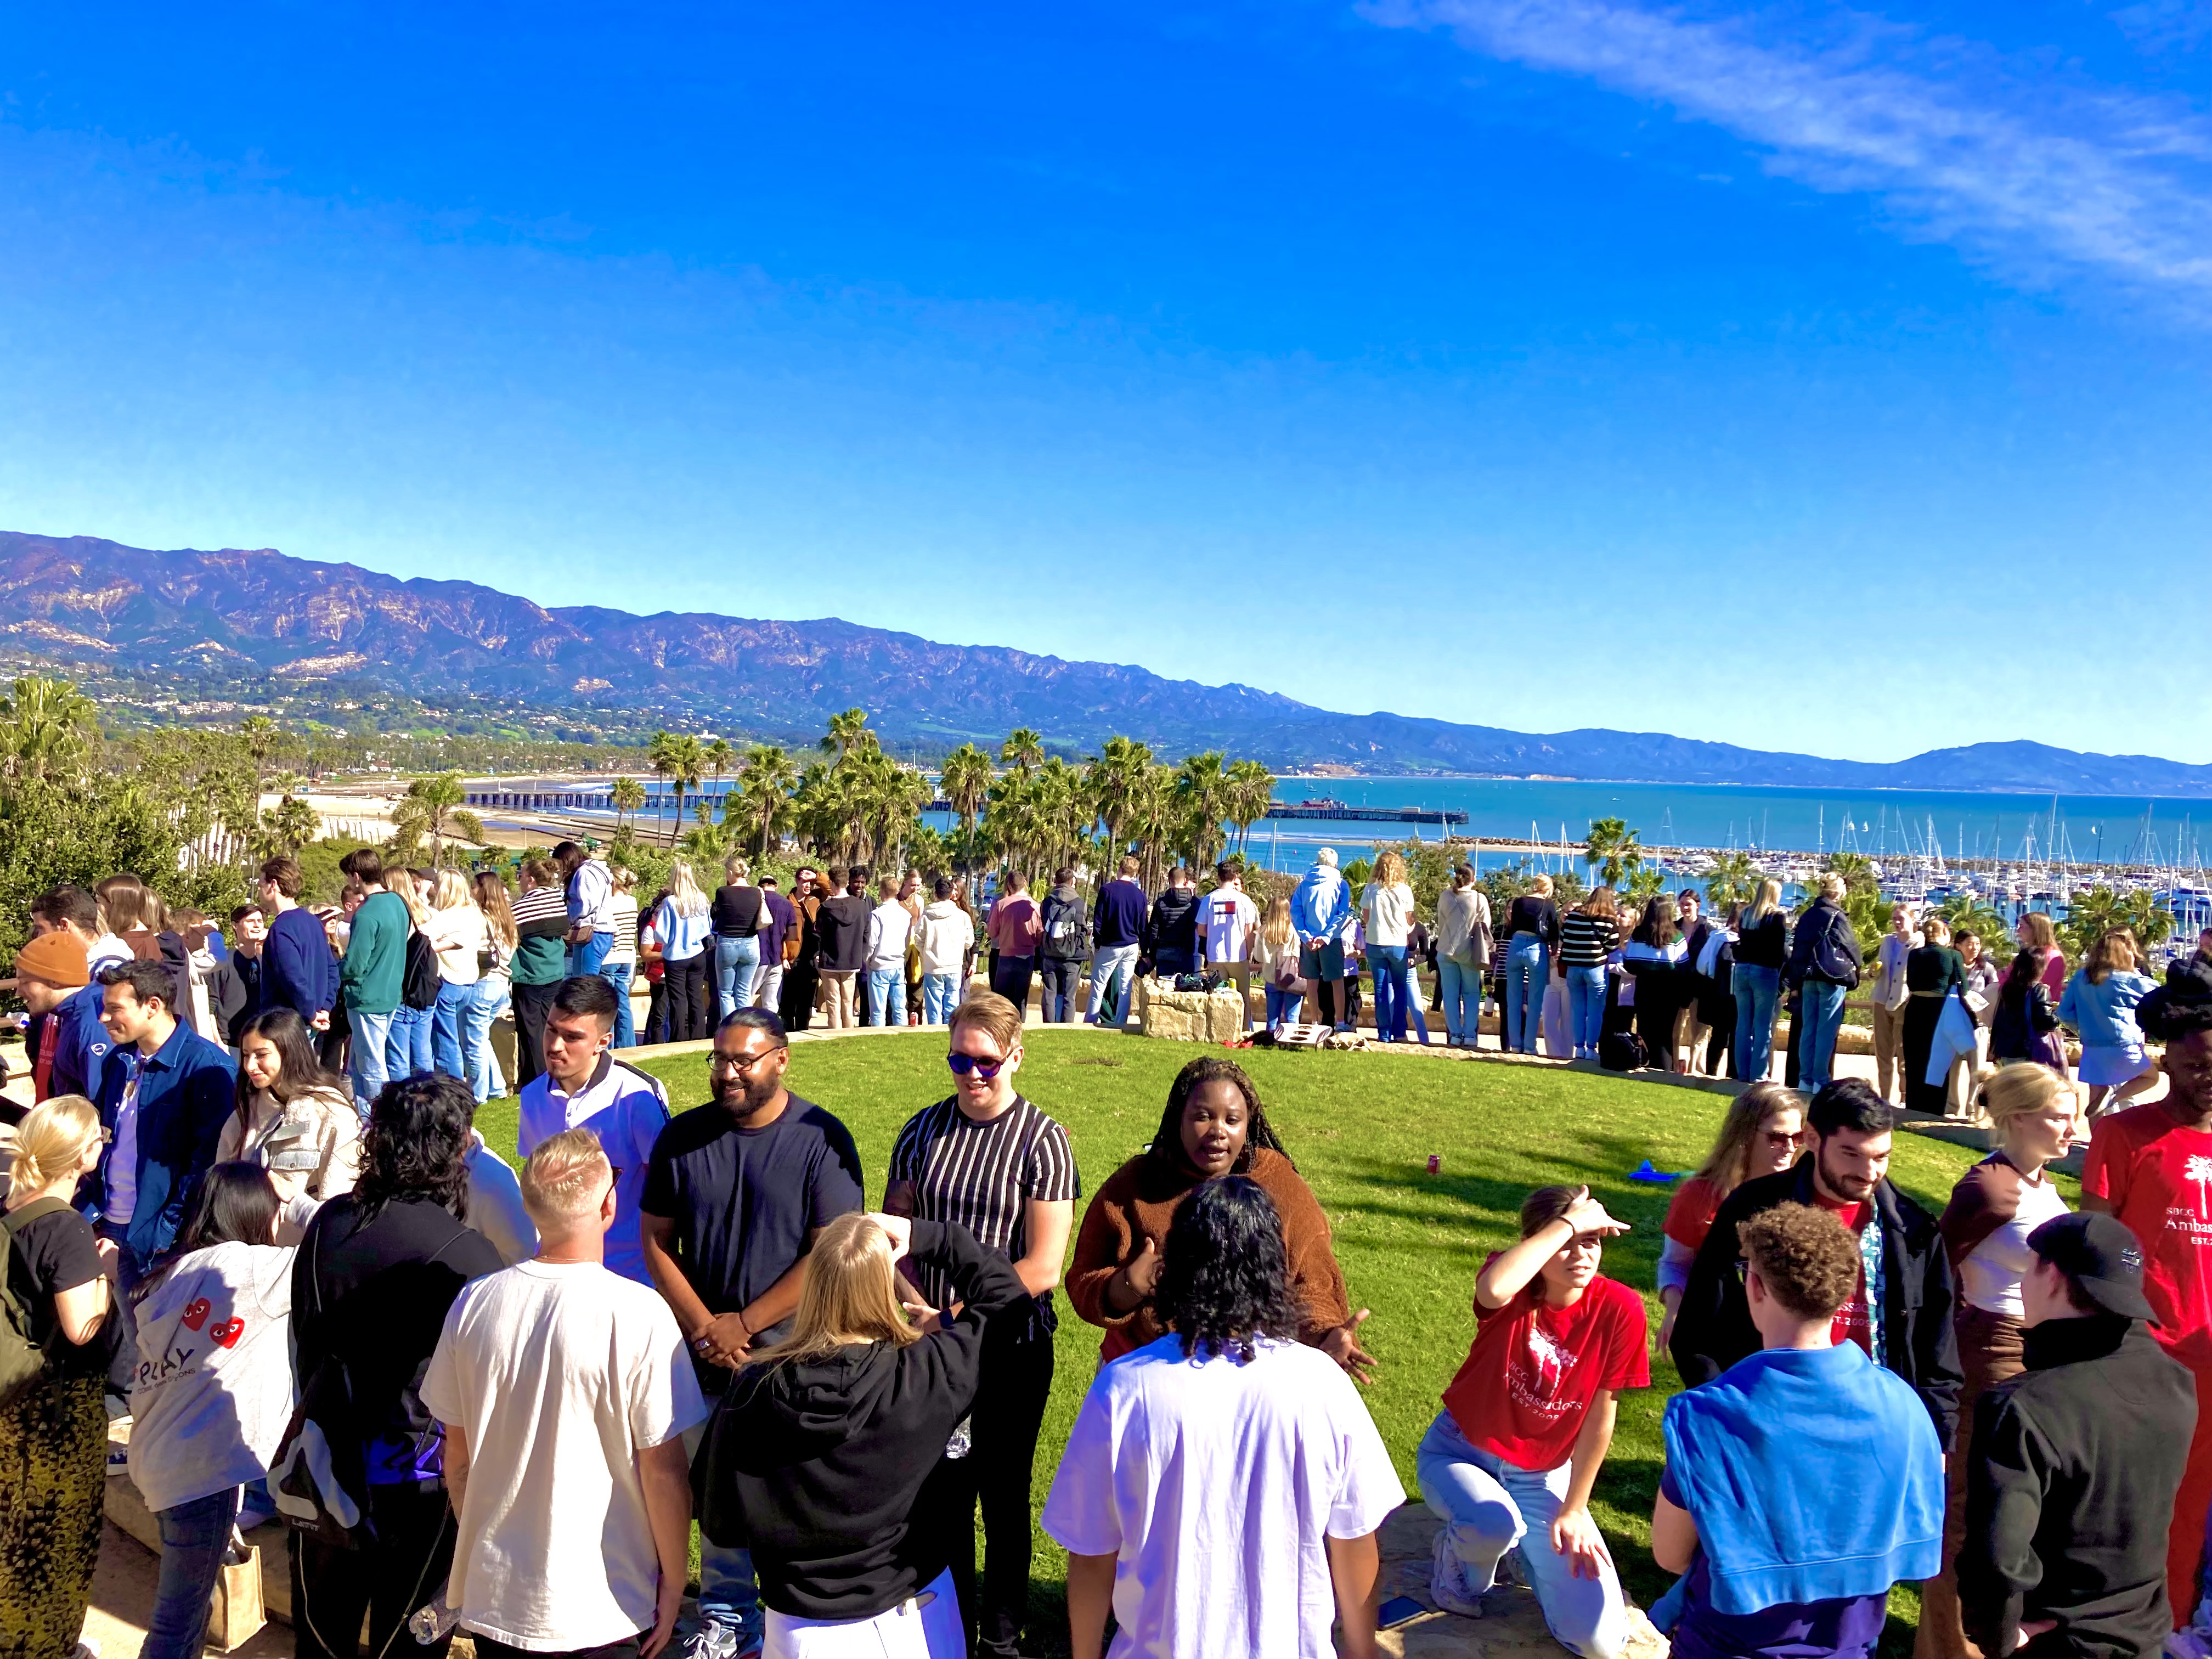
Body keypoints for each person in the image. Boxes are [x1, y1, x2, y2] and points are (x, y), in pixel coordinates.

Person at [1042, 1176, 1403, 1659]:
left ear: (1178, 1270)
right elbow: (1355, 1539)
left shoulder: (1126, 1387)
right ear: (1274, 1271)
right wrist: (1362, 1653)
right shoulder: (1322, 1384)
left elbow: (1090, 1552)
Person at [691, 1209, 1026, 1659]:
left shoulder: (752, 1390)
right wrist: (927, 1236)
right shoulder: (926, 1374)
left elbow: (721, 1520)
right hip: (914, 1621)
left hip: (797, 1629)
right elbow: (1008, 1299)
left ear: (813, 1287)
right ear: (882, 1286)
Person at [422, 1128, 706, 1659]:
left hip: (496, 1594)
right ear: (608, 1203)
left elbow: (454, 1457)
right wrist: (672, 1582)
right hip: (605, 1604)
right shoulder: (638, 1314)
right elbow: (663, 1471)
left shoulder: (474, 1304)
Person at [639, 1009, 866, 1659]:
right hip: (705, 1357)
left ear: (782, 1059)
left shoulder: (822, 1140)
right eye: (719, 1060)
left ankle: (798, 1615)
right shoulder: (684, 1137)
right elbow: (655, 1242)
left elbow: (830, 1253)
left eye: (743, 1060)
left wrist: (747, 1322)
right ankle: (728, 1618)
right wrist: (708, 1326)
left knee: (795, 1496)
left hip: (794, 1358)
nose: (728, 1073)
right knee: (716, 1500)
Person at [1651, 1203, 1944, 1659]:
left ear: (1755, 1286)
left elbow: (1670, 1555)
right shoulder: (1903, 1403)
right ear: (1844, 1293)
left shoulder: (1707, 1416)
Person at [884, 990, 1080, 1657]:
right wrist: (917, 1312)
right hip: (929, 1345)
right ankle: (950, 1632)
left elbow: (1044, 1266)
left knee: (1003, 1493)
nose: (971, 1074)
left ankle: (1001, 1637)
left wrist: (954, 1316)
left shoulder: (1044, 1141)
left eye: (986, 1063)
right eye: (958, 1060)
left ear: (1015, 1059)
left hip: (1009, 1345)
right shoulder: (922, 1131)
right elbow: (894, 1234)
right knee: (940, 1496)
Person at [287, 1074, 505, 1659]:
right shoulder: (467, 1255)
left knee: (321, 1637)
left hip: (323, 1460)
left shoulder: (328, 1222)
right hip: (418, 1481)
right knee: (407, 1643)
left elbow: (303, 1338)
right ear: (459, 1148)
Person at [1955, 1211, 2196, 1659]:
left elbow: (1998, 1557)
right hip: (2143, 1633)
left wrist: (1999, 1633)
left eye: (2028, 1268)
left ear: (2051, 1276)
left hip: (2058, 1641)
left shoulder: (2023, 1407)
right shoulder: (2178, 1385)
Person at [1418, 1184, 1646, 1654]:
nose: (1581, 1254)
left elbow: (1603, 1415)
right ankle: (1457, 1556)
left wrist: (1575, 1508)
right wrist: (1568, 1222)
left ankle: (1528, 1554)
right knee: (1492, 1525)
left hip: (1541, 1474)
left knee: (1599, 1641)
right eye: (1566, 1242)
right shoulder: (1515, 1287)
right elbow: (1494, 1289)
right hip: (1460, 1451)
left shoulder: (1621, 1308)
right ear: (1537, 1243)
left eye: (1592, 1241)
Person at [1673, 1079, 1961, 1442]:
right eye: (1851, 1154)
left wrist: (1937, 1438)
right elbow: (1698, 1332)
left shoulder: (1913, 1229)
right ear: (1811, 1138)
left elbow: (1938, 1353)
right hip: (1770, 1422)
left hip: (1876, 1429)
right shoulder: (1753, 1211)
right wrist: (1732, 1416)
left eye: (1880, 1157)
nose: (1869, 1172)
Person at [1066, 1056, 1373, 1375]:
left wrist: (1325, 1334)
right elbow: (1084, 1279)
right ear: (1179, 1119)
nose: (1218, 1132)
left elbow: (1313, 1282)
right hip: (1145, 1370)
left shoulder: (1280, 1184)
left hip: (1250, 1376)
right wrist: (1131, 1283)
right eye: (1203, 1117)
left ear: (1248, 1124)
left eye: (1232, 1120)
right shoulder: (1137, 1185)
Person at [1917, 1063, 2079, 1659]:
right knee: (1963, 1512)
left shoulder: (2036, 1182)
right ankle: (1948, 1648)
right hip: (1989, 1354)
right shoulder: (1991, 1188)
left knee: (2009, 1507)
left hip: (2034, 1353)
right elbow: (1933, 1269)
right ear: (2016, 1118)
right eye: (2059, 1116)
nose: (2072, 1129)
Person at [2079, 970, 2212, 1622]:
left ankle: (2181, 1625)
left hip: (2209, 1359)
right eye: (2196, 1063)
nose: (2207, 1076)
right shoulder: (2124, 1136)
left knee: (2194, 1513)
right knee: (2132, 1509)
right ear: (2168, 1059)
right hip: (2146, 1360)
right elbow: (2095, 1247)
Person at [129, 1164, 301, 1659]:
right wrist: (298, 1201)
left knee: (193, 1605)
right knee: (177, 1622)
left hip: (160, 1458)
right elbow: (339, 1245)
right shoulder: (254, 1271)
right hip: (201, 1474)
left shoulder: (170, 1273)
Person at [0, 1097, 116, 1659]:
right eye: (99, 1138)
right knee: (55, 1538)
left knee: (15, 1531)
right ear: (81, 1156)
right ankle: (46, 1644)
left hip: (14, 1403)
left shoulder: (14, 1207)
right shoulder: (66, 1228)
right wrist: (106, 1278)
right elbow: (81, 1328)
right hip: (59, 1414)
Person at [91, 958, 240, 1283]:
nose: (103, 1018)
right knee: (127, 1330)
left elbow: (210, 1164)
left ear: (152, 1006)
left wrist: (167, 1231)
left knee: (152, 1333)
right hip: (110, 1221)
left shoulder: (208, 1068)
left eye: (115, 1009)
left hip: (161, 1239)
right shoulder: (118, 1061)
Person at [518, 974, 672, 1286]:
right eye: (551, 1031)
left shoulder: (636, 1098)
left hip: (629, 1276)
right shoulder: (532, 1096)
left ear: (603, 1042)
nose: (555, 1046)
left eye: (572, 1037)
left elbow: (668, 1193)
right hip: (555, 1273)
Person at [1655, 1084, 1805, 1352]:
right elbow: (1675, 1264)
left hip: (1785, 1342)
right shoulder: (1700, 1194)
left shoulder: (1804, 1194)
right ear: (1744, 1135)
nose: (1790, 1148)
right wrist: (1675, 1309)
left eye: (1798, 1137)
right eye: (1777, 1138)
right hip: (1716, 1338)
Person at [219, 1008, 361, 1215]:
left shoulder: (333, 1114)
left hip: (302, 1241)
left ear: (289, 1052)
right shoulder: (247, 1110)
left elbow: (340, 1203)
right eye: (246, 1055)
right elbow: (223, 1176)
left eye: (261, 1055)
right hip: (246, 1238)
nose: (250, 1066)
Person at [338, 847, 410, 1107]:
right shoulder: (397, 903)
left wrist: (333, 969)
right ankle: (365, 1118)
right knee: (359, 1065)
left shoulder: (367, 914)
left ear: (356, 877)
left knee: (372, 1068)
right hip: (390, 994)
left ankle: (380, 1121)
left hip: (368, 999)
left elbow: (355, 965)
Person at [2060, 931, 2161, 1113]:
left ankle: (2097, 1140)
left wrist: (2084, 1028)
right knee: (2150, 1077)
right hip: (2123, 1042)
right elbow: (2157, 993)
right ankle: (2114, 1098)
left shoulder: (2081, 978)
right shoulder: (2125, 978)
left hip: (2092, 1045)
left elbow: (2064, 1013)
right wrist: (2132, 969)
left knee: (2095, 1098)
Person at [12, 930, 110, 1104]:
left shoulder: (92, 1023)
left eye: (25, 982)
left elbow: (99, 1107)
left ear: (56, 980)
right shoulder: (70, 1015)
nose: (19, 992)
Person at [1785, 874, 1863, 1092]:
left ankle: (1805, 1079)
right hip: (1829, 976)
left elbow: (1798, 949)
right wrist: (1857, 969)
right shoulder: (1837, 916)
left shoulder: (1808, 914)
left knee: (1809, 1028)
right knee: (1826, 1030)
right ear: (1838, 892)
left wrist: (1795, 982)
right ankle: (1820, 1079)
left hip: (1808, 977)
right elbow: (1851, 947)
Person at [422, 868, 488, 1087]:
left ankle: (452, 1088)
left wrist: (420, 899)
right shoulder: (475, 914)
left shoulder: (444, 917)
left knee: (446, 1042)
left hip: (448, 983)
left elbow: (422, 938)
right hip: (468, 983)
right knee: (455, 1041)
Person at [510, 857, 572, 1087]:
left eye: (522, 876)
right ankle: (551, 1073)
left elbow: (508, 933)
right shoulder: (557, 901)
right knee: (549, 1028)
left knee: (531, 1033)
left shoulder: (522, 906)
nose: (520, 880)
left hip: (530, 974)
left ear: (531, 879)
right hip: (554, 972)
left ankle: (535, 1080)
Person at [258, 856, 337, 1031]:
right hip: (312, 1018)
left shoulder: (281, 929)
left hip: (287, 1025)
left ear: (273, 884)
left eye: (261, 883)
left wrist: (312, 1012)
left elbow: (292, 978)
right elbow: (332, 969)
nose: (259, 888)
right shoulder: (314, 922)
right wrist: (325, 1008)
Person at [1903, 915, 1967, 1116]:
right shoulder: (1953, 956)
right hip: (1941, 1009)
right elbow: (1961, 988)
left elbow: (1912, 983)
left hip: (1916, 1007)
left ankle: (1914, 1105)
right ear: (1945, 934)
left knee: (1915, 1059)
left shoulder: (1915, 955)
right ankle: (1935, 1107)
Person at [1290, 848, 1355, 1034]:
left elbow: (1296, 912)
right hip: (1331, 940)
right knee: (1337, 981)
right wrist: (1325, 937)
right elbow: (1341, 914)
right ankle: (1341, 1022)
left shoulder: (1304, 884)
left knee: (1312, 982)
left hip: (1308, 940)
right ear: (1335, 864)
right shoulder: (1341, 884)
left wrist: (1306, 937)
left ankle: (1315, 1022)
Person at [1731, 879, 1790, 1083]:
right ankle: (1758, 1074)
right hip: (1764, 972)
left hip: (1742, 970)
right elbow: (1780, 951)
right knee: (1763, 1025)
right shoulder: (1776, 918)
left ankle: (1742, 1072)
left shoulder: (1747, 914)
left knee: (1743, 1023)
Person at [1622, 895, 1688, 1071]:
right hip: (1670, 991)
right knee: (1665, 1035)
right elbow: (1683, 968)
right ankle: (1664, 1071)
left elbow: (1628, 962)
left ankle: (1645, 1066)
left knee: (1645, 1031)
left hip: (1644, 988)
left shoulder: (1637, 934)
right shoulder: (1677, 937)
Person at [1556, 885, 1620, 1062]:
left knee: (1578, 1010)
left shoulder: (1574, 916)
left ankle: (1579, 1048)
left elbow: (1565, 936)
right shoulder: (1608, 920)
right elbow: (1613, 945)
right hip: (1596, 969)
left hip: (1573, 968)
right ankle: (1591, 1049)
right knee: (1595, 1011)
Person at [653, 858, 713, 1043]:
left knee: (678, 999)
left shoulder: (671, 902)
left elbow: (661, 935)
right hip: (698, 954)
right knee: (696, 996)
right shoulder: (702, 899)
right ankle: (698, 1036)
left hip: (676, 956)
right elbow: (707, 928)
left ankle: (678, 1039)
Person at [470, 872, 518, 1101]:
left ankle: (479, 1094)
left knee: (474, 1043)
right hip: (501, 984)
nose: (471, 891)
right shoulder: (507, 918)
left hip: (484, 982)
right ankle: (497, 1087)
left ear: (483, 889)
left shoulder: (481, 918)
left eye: (474, 887)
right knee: (482, 1038)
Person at [1361, 851, 1417, 1043]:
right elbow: (1410, 919)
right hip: (1398, 943)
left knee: (1380, 989)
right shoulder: (1404, 890)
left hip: (1376, 942)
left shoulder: (1371, 889)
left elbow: (1366, 916)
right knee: (1400, 988)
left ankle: (1383, 1032)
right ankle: (1400, 1031)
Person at [1088, 856, 1149, 1029]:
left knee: (1099, 986)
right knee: (1125, 987)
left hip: (1109, 945)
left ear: (1119, 869)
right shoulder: (1140, 895)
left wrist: (1098, 943)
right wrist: (1145, 953)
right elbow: (1143, 926)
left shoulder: (1107, 890)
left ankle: (1090, 1021)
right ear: (1135, 874)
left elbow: (1098, 920)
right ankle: (1120, 1023)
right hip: (1131, 945)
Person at [1436, 865, 1493, 1050]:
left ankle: (1454, 1035)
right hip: (1469, 952)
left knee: (1450, 995)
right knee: (1471, 994)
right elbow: (1485, 926)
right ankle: (1470, 1035)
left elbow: (1441, 922)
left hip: (1445, 949)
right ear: (1473, 879)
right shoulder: (1479, 899)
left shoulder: (1445, 896)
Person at [1503, 874, 1560, 1056]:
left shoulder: (1519, 902)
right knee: (1535, 1001)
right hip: (1536, 947)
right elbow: (1553, 930)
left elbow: (1513, 926)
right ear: (1548, 888)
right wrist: (1553, 949)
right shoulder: (1548, 904)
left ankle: (1515, 1045)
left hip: (1516, 945)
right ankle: (1529, 1046)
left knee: (1513, 1000)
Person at [1199, 862, 1260, 1030]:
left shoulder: (1209, 899)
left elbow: (1201, 929)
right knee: (1243, 997)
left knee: (1220, 996)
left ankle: (1221, 1030)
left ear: (1218, 877)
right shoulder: (1244, 900)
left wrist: (1214, 934)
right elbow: (1249, 931)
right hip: (1238, 955)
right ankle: (1245, 1031)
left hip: (1215, 956)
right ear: (1235, 878)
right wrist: (1248, 954)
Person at [1991, 941, 2067, 1070]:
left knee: (2008, 1087)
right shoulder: (2039, 990)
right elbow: (2045, 1022)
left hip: (2005, 1049)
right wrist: (2057, 1018)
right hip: (2027, 1050)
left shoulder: (2008, 988)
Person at [710, 856, 768, 1024]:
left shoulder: (723, 892)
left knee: (726, 992)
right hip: (750, 943)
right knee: (744, 991)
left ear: (730, 872)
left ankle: (730, 1028)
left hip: (728, 942)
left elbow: (719, 913)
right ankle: (745, 1028)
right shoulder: (757, 892)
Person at [1872, 905, 1920, 1103]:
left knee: (1904, 1055)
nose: (1897, 923)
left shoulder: (1919, 943)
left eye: (1901, 918)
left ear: (1912, 919)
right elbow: (1880, 968)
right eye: (1894, 919)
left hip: (1904, 1003)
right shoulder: (1888, 942)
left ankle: (1904, 1098)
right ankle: (1884, 1097)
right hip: (1882, 1000)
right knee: (1883, 1053)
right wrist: (1873, 972)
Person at [814, 865, 871, 1030]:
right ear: (847, 882)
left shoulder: (825, 908)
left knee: (833, 1004)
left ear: (831, 882)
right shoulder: (861, 906)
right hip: (852, 961)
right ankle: (848, 1033)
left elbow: (819, 933)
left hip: (830, 961)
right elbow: (866, 934)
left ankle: (834, 1033)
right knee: (847, 1003)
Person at [919, 876, 976, 1025]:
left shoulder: (927, 915)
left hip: (933, 967)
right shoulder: (962, 916)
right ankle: (950, 1030)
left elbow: (918, 939)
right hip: (954, 966)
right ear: (951, 894)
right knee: (952, 1003)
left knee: (933, 1005)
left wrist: (926, 953)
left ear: (935, 894)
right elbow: (969, 941)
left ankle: (934, 1029)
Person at [1037, 867, 1091, 1024]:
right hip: (1072, 956)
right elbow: (1082, 928)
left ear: (1056, 881)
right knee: (1069, 997)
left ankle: (1048, 1025)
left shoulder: (1047, 902)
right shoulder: (1080, 903)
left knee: (1049, 994)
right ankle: (1067, 1026)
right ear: (1073, 881)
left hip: (1050, 953)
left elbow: (1044, 923)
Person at [557, 840, 617, 980]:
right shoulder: (594, 872)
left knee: (584, 984)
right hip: (599, 933)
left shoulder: (584, 873)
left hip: (592, 934)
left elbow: (585, 905)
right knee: (581, 982)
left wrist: (568, 913)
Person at [866, 872, 915, 1027]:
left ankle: (877, 1032)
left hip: (880, 964)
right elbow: (908, 941)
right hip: (898, 963)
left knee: (878, 1009)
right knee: (900, 1007)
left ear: (882, 891)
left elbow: (872, 942)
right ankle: (901, 1031)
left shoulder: (877, 914)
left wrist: (867, 959)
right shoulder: (906, 915)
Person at [985, 870, 1040, 1011]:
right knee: (1021, 1000)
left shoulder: (1002, 904)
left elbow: (992, 932)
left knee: (1002, 1000)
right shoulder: (1035, 906)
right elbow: (1040, 935)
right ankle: (1019, 1028)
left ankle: (1002, 1029)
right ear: (1025, 884)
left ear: (1009, 885)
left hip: (1006, 956)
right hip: (1027, 956)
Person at [1252, 893, 1305, 1035]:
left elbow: (1258, 957)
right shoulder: (1295, 930)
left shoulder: (1263, 931)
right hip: (1291, 978)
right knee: (1292, 1018)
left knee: (1272, 1019)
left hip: (1271, 978)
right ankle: (1291, 1042)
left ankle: (1271, 1040)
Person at [605, 864, 642, 1048]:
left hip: (610, 957)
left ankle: (608, 1045)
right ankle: (627, 1045)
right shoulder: (632, 901)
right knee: (624, 1004)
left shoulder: (608, 904)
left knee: (608, 1005)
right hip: (627, 956)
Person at [1145, 866, 1200, 980]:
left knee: (1164, 989)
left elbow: (1153, 932)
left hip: (1165, 952)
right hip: (1187, 952)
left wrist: (1153, 952)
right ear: (1185, 881)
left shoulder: (1161, 903)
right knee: (1186, 990)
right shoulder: (1194, 903)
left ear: (1169, 880)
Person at [753, 875, 794, 1017]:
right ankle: (771, 1032)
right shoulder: (786, 904)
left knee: (746, 996)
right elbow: (793, 934)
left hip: (758, 957)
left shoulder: (755, 902)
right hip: (777, 958)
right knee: (771, 1003)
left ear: (760, 886)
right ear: (776, 886)